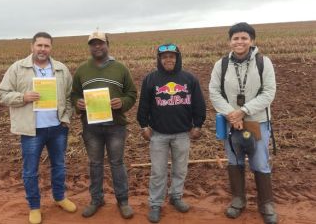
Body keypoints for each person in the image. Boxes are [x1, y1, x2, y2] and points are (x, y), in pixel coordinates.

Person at [0, 32, 76, 224]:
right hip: (32, 130)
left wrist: (66, 119)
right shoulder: (18, 68)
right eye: (39, 45)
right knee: (30, 171)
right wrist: (22, 97)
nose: (42, 49)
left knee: (59, 165)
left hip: (57, 128)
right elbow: (2, 94)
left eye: (46, 46)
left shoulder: (61, 69)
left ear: (51, 48)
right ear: (32, 46)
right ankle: (34, 206)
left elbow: (69, 97)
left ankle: (59, 197)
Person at [209, 22, 278, 224]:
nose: (239, 42)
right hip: (231, 123)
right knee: (235, 161)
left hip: (258, 122)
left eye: (244, 38)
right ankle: (238, 200)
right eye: (236, 38)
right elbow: (214, 92)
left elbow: (269, 93)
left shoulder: (264, 62)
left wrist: (243, 112)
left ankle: (266, 203)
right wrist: (232, 114)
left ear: (252, 41)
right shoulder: (220, 65)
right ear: (230, 41)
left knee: (259, 163)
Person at [137, 43, 206, 223]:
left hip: (183, 133)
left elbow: (199, 103)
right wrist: (144, 125)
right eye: (165, 57)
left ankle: (176, 196)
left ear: (177, 58)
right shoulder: (150, 79)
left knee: (180, 169)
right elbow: (143, 104)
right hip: (158, 134)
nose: (168, 59)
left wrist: (197, 124)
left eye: (172, 56)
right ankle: (155, 203)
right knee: (158, 171)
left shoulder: (189, 78)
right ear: (159, 59)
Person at [71, 31, 137, 219]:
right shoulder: (82, 70)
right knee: (95, 164)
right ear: (90, 47)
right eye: (93, 44)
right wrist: (78, 103)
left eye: (100, 43)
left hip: (116, 126)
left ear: (107, 44)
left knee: (117, 163)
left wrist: (122, 103)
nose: (97, 47)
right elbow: (74, 94)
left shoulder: (120, 69)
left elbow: (131, 93)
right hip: (91, 127)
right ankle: (96, 199)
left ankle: (123, 201)